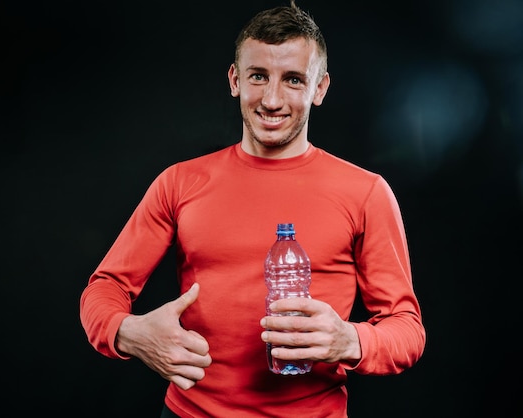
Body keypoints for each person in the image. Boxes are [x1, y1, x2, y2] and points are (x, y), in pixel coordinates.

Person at [79, 1, 426, 417]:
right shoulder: (180, 182)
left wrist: (349, 340)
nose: (272, 99)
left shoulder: (366, 192)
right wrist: (128, 331)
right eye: (259, 76)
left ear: (320, 89)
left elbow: (407, 328)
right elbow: (104, 288)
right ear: (235, 80)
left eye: (293, 80)